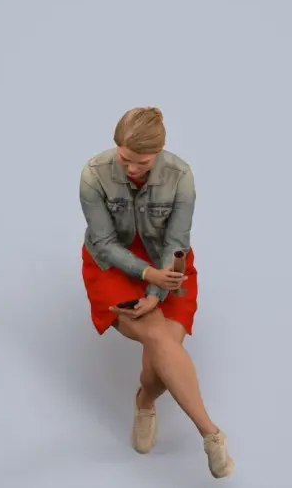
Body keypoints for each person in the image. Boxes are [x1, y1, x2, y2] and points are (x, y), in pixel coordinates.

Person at [78, 106, 235, 479]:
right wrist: (147, 275)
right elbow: (104, 244)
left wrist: (156, 291)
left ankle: (145, 400)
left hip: (168, 265)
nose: (132, 169)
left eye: (142, 162)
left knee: (161, 351)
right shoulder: (93, 175)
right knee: (160, 337)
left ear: (159, 152)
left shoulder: (181, 176)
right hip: (112, 267)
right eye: (125, 159)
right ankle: (211, 434)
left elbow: (177, 242)